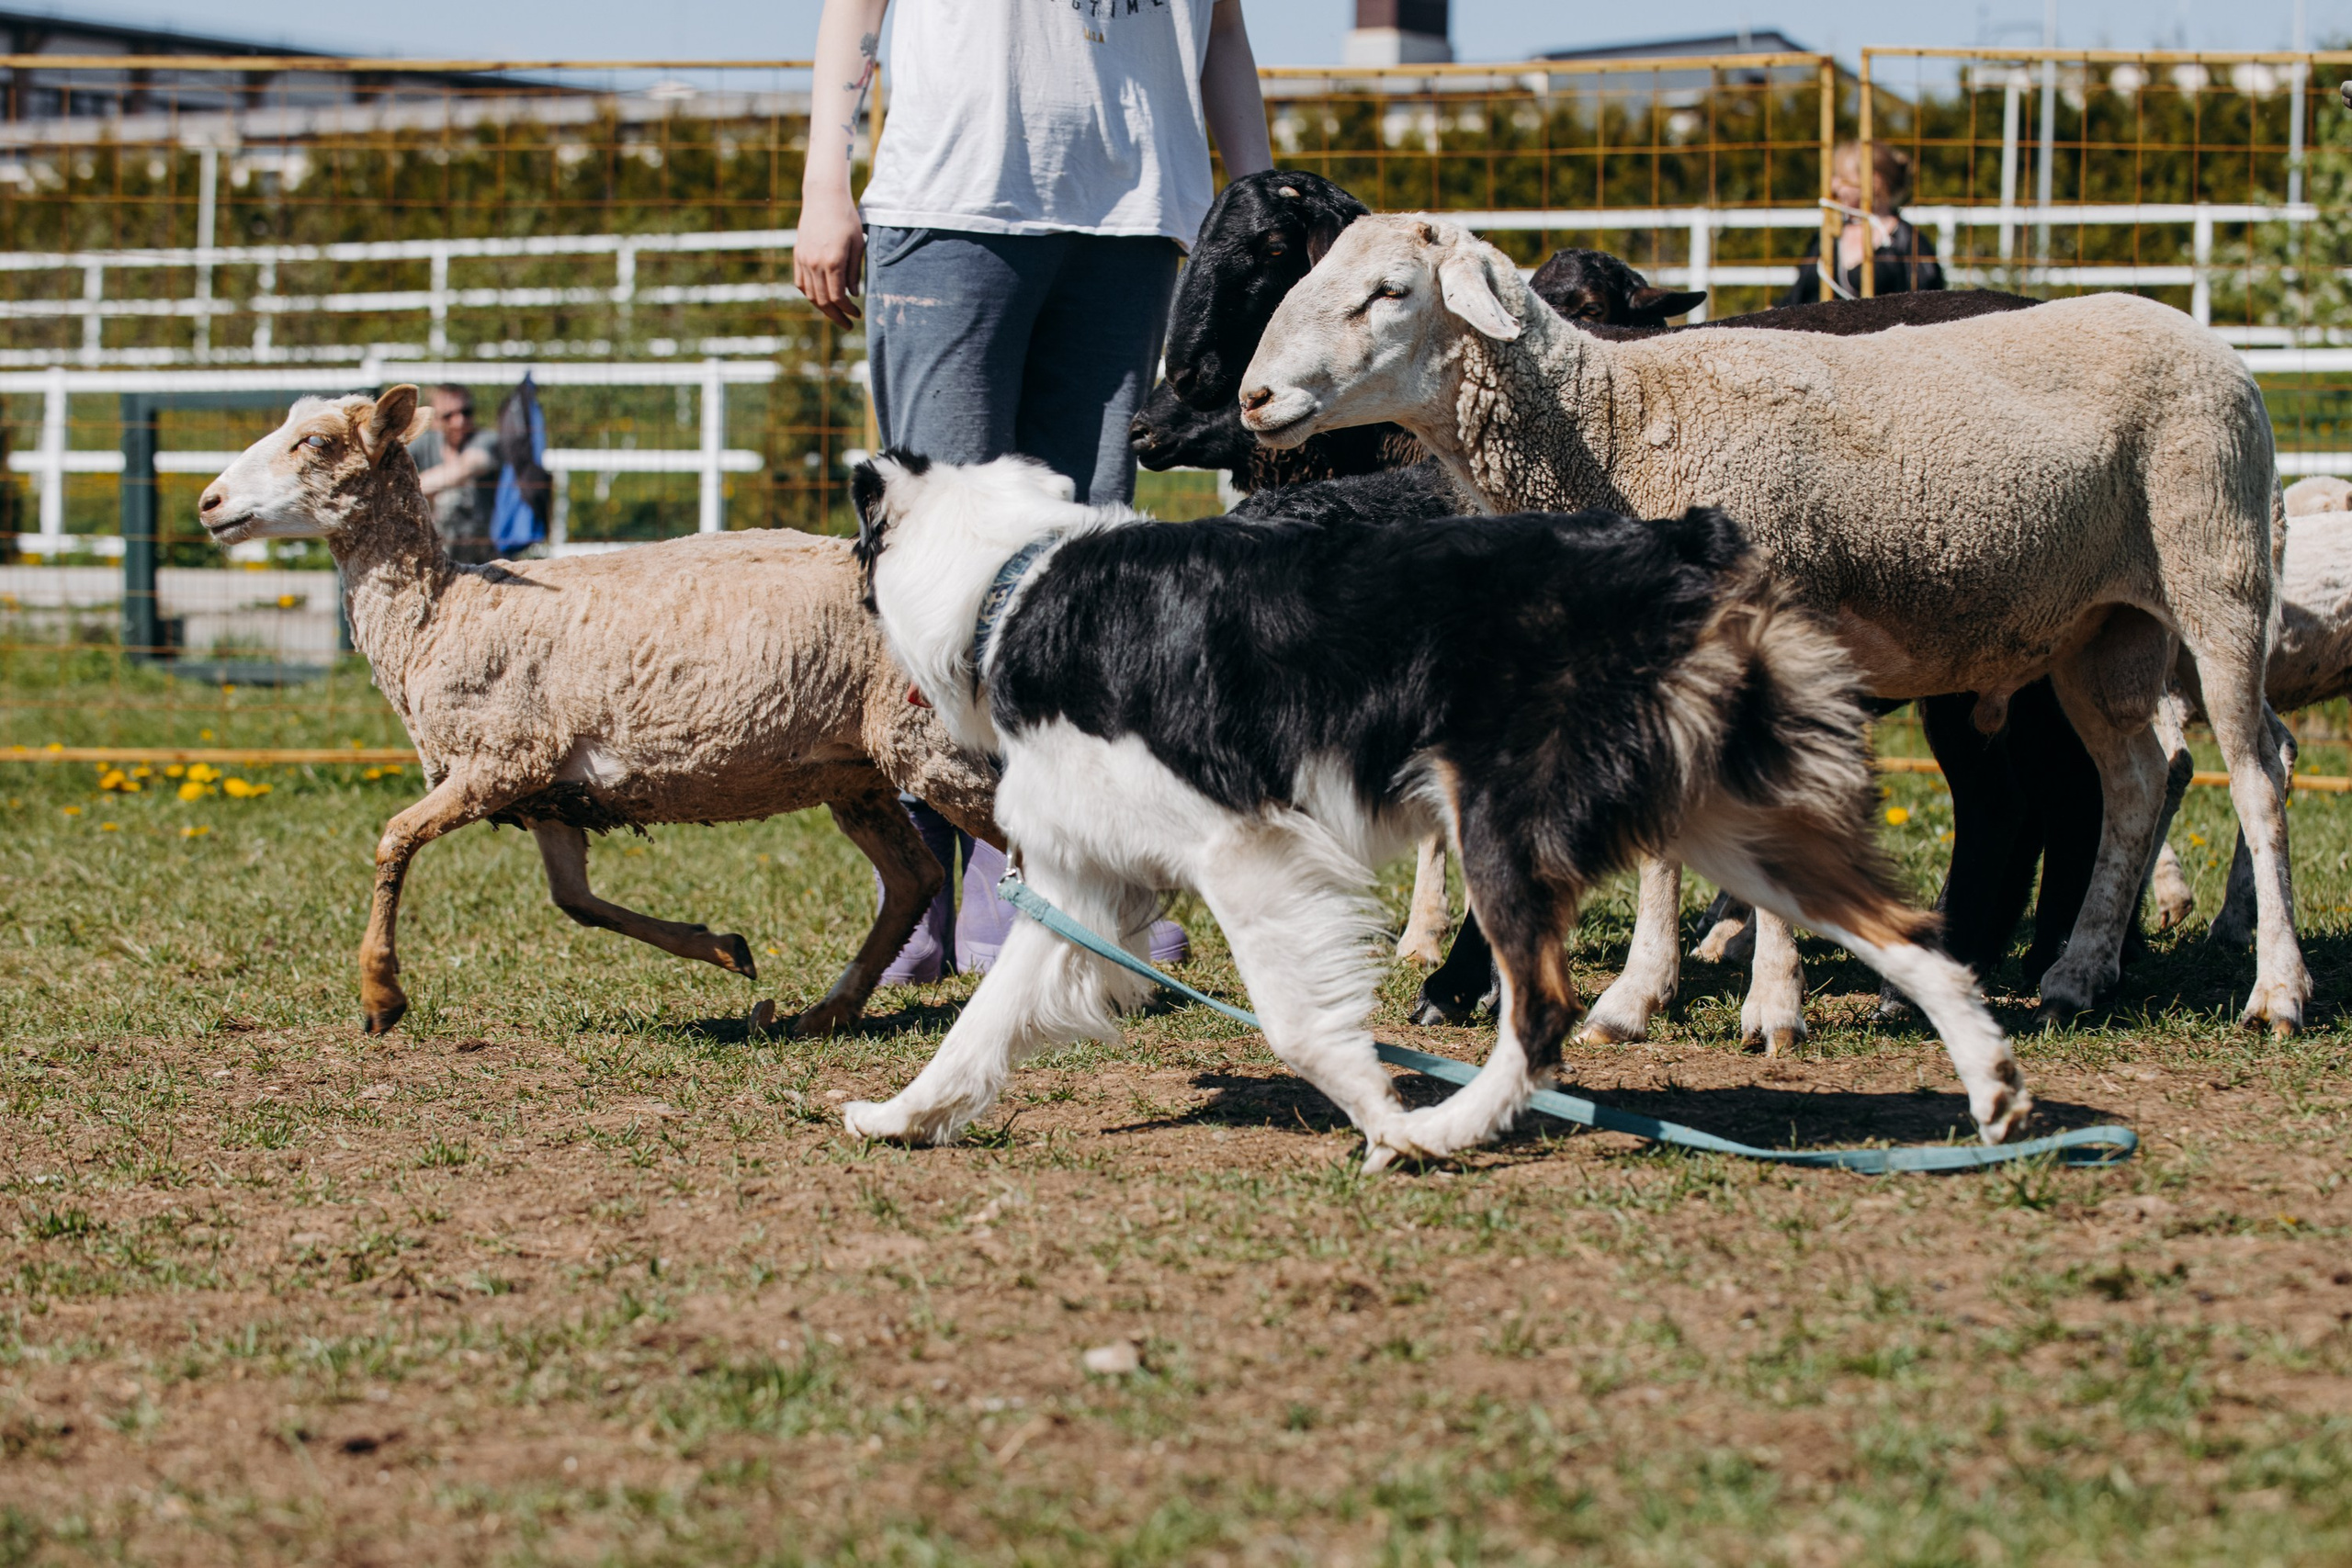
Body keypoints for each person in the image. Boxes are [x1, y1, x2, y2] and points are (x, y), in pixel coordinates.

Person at [797, 0, 1273, 982]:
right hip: (954, 200)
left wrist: (1258, 205)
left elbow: (1221, 28)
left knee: (1079, 582)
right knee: (938, 563)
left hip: (1132, 214)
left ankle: (1031, 892)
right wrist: (824, 186)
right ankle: (920, 895)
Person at [1784, 141, 1944, 305]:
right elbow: (1796, 297)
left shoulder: (1909, 244)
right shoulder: (1826, 237)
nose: (1833, 186)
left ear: (1873, 181)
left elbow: (1929, 306)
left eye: (1843, 178)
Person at [407, 384, 503, 565]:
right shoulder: (425, 443)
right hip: (436, 549)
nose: (459, 422)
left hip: (485, 552)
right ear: (434, 421)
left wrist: (409, 488)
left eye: (466, 412)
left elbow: (470, 465)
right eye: (448, 416)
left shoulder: (487, 440)